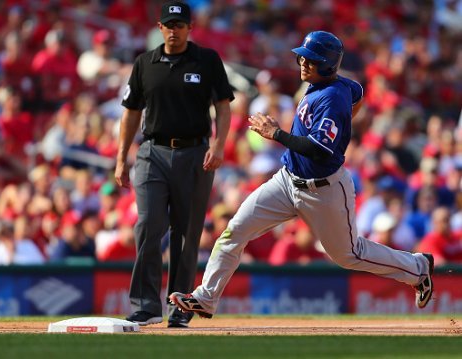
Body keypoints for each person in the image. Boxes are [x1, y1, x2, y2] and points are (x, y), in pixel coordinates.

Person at [169, 31, 434, 319]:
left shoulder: (332, 97)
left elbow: (320, 150)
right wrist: (345, 124)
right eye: (302, 57)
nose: (303, 64)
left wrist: (277, 133)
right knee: (235, 230)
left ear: (329, 65)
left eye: (311, 59)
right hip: (286, 180)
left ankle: (417, 268)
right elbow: (358, 91)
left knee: (349, 255)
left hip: (324, 190)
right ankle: (205, 298)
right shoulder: (337, 86)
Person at [115, 1, 234, 328]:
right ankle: (146, 305)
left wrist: (220, 143)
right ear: (159, 27)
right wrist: (121, 157)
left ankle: (179, 306)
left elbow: (223, 106)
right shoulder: (145, 63)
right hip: (152, 152)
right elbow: (131, 112)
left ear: (189, 28)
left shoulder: (207, 60)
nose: (173, 30)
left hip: (195, 153)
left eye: (179, 24)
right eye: (168, 24)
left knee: (187, 232)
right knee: (148, 224)